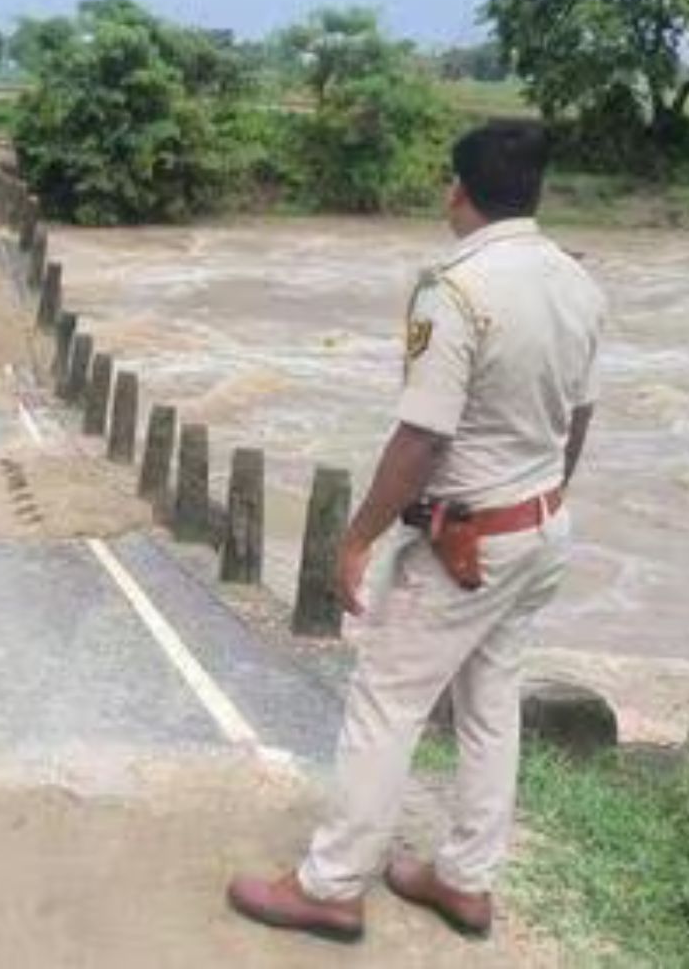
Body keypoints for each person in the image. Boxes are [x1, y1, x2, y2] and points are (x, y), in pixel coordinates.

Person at [227, 121, 606, 943]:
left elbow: (422, 438)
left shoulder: (457, 291)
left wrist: (357, 537)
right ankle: (466, 880)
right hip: (541, 529)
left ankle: (330, 886)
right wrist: (541, 503)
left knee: (385, 702)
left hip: (464, 544)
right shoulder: (577, 283)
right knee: (490, 699)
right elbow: (577, 419)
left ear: (460, 192)